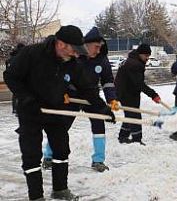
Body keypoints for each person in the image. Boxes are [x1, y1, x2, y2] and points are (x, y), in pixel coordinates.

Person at [3, 25, 116, 201]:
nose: (76, 54)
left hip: (55, 108)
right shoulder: (32, 54)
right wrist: (26, 98)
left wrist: (102, 108)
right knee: (31, 154)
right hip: (30, 110)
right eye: (74, 49)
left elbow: (86, 88)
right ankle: (36, 196)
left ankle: (60, 189)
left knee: (62, 149)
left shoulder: (72, 62)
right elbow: (10, 76)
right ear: (61, 44)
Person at [42, 27, 119, 172]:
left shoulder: (102, 60)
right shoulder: (75, 56)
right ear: (86, 44)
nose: (98, 50)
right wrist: (62, 93)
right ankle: (48, 156)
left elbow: (107, 81)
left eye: (100, 47)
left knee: (99, 127)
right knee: (61, 126)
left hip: (92, 97)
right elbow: (61, 76)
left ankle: (98, 160)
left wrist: (112, 99)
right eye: (96, 47)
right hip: (72, 96)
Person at [115, 43, 161, 145]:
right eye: (146, 55)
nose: (148, 58)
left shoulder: (132, 61)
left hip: (125, 92)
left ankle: (123, 136)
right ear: (140, 54)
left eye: (148, 55)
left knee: (129, 114)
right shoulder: (134, 64)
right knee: (134, 115)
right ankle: (137, 139)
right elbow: (139, 83)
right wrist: (153, 95)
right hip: (127, 93)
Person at [5, 43, 25, 114]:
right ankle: (19, 108)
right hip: (21, 78)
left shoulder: (10, 58)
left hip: (13, 78)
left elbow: (7, 69)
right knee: (22, 94)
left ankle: (14, 108)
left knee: (15, 94)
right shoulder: (22, 56)